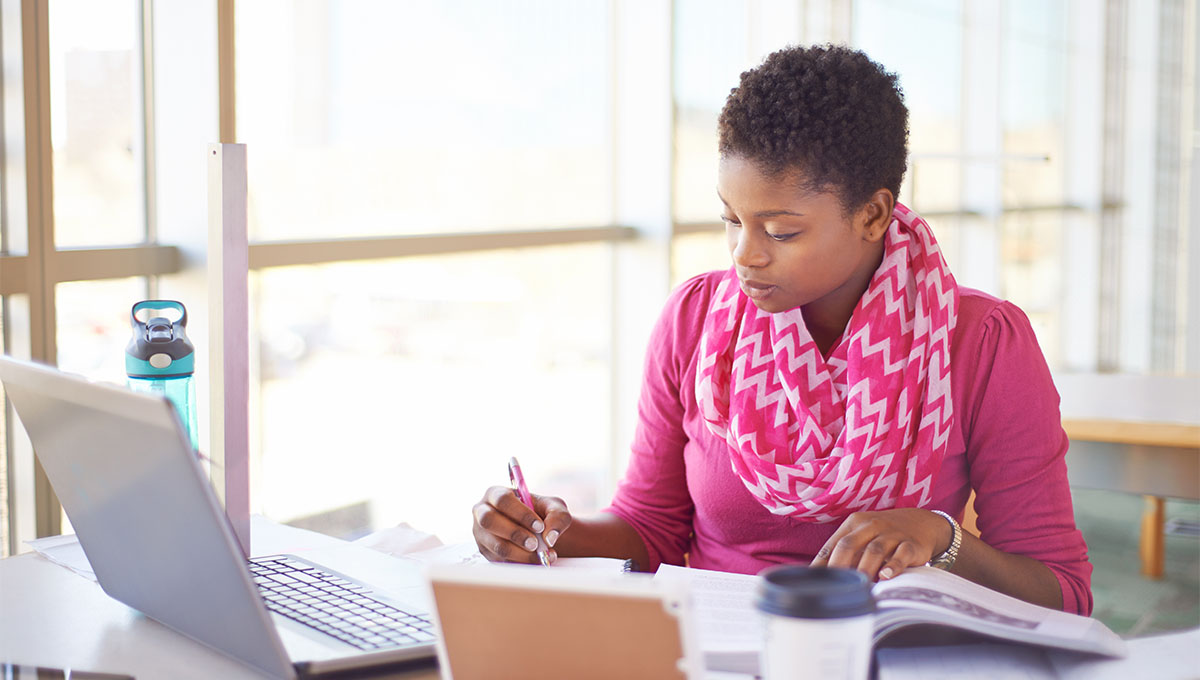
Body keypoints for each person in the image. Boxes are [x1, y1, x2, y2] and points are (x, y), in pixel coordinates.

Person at [471, 44, 1092, 615]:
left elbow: (1062, 591)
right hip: (715, 644)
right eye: (731, 220)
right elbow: (651, 529)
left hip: (890, 651)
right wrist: (549, 532)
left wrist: (941, 538)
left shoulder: (979, 342)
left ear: (872, 214)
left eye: (781, 231)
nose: (745, 254)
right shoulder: (695, 323)